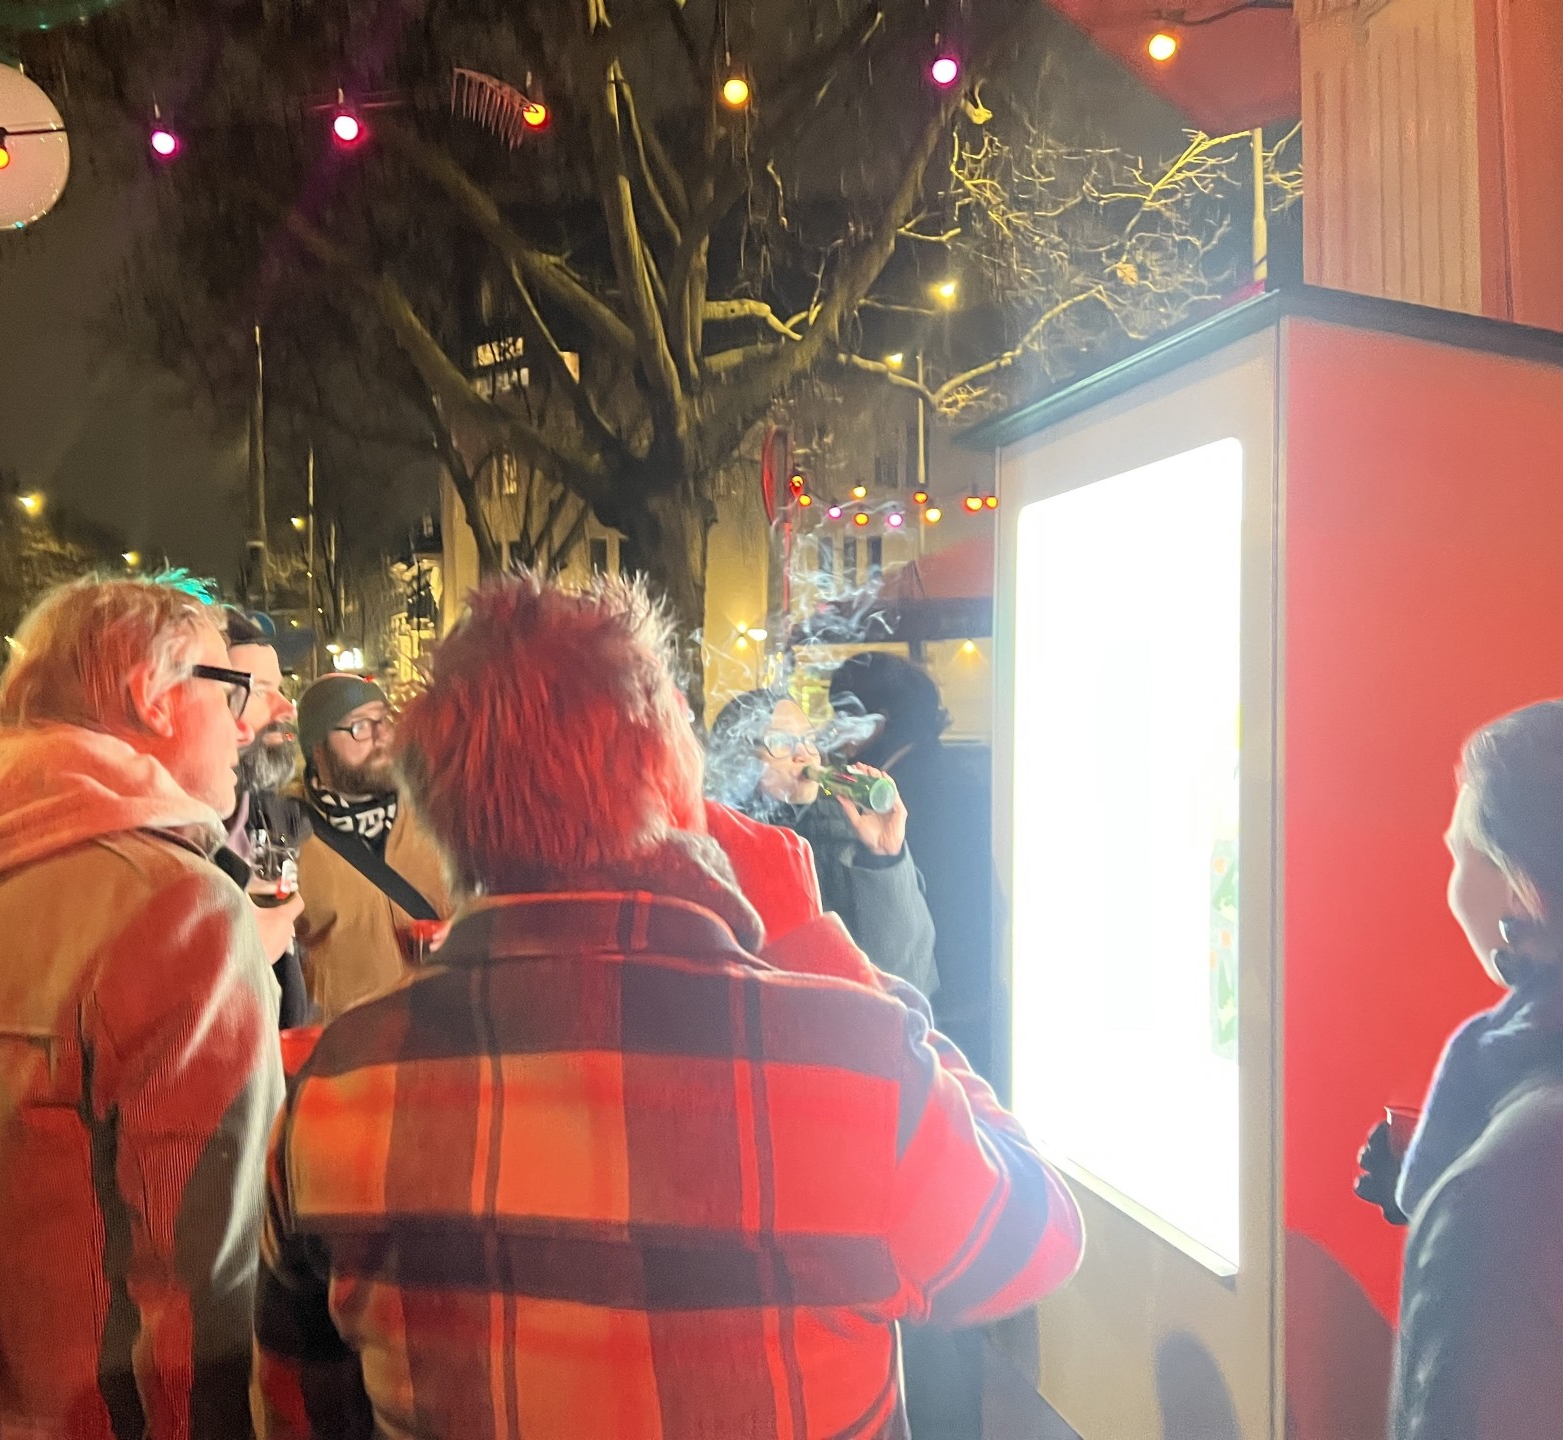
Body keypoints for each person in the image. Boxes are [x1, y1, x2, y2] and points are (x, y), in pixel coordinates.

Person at [256, 574, 1083, 1438]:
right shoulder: (843, 1057)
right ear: (664, 773)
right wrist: (809, 945)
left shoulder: (336, 1088)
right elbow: (1033, 1241)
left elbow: (301, 1410)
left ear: (439, 803)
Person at [0, 575, 285, 1437]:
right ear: (154, 696)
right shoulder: (180, 908)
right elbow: (204, 1286)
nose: (245, 725)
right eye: (231, 689)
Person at [1388, 700, 1563, 1440]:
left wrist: (1457, 1205)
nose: (1450, 880)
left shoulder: (1502, 1192)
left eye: (1460, 855)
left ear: (1521, 892)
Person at [708, 686, 937, 994]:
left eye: (809, 739)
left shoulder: (845, 829)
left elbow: (908, 976)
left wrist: (883, 857)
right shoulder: (716, 846)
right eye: (781, 742)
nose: (804, 754)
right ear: (738, 760)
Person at [830, 652, 994, 1079]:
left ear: (878, 720)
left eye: (842, 713)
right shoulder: (950, 773)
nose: (832, 730)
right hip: (977, 991)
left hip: (938, 1004)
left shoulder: (899, 794)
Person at [290, 671, 450, 1019]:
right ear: (317, 748)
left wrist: (464, 927)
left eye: (384, 720)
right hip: (344, 1040)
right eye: (359, 726)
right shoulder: (286, 829)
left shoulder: (437, 811)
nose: (381, 737)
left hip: (440, 1029)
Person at [219, 609, 311, 1028]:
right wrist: (241, 951)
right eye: (260, 691)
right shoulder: (167, 842)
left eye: (281, 689)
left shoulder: (269, 814)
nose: (286, 708)